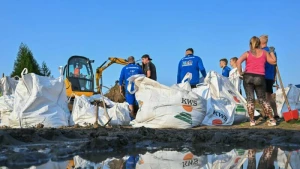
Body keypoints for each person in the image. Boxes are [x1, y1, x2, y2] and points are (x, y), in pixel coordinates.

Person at [236, 36, 277, 126]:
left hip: (248, 76)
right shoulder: (265, 53)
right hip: (260, 77)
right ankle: (272, 119)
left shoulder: (247, 53)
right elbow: (274, 62)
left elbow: (238, 62)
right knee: (262, 99)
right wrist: (271, 52)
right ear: (259, 43)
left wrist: (240, 72)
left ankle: (252, 121)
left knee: (250, 99)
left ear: (250, 44)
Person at [260, 35, 280, 121]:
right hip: (270, 76)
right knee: (269, 95)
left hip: (263, 75)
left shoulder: (262, 52)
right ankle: (275, 113)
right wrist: (274, 76)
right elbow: (275, 65)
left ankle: (266, 114)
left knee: (264, 96)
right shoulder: (272, 52)